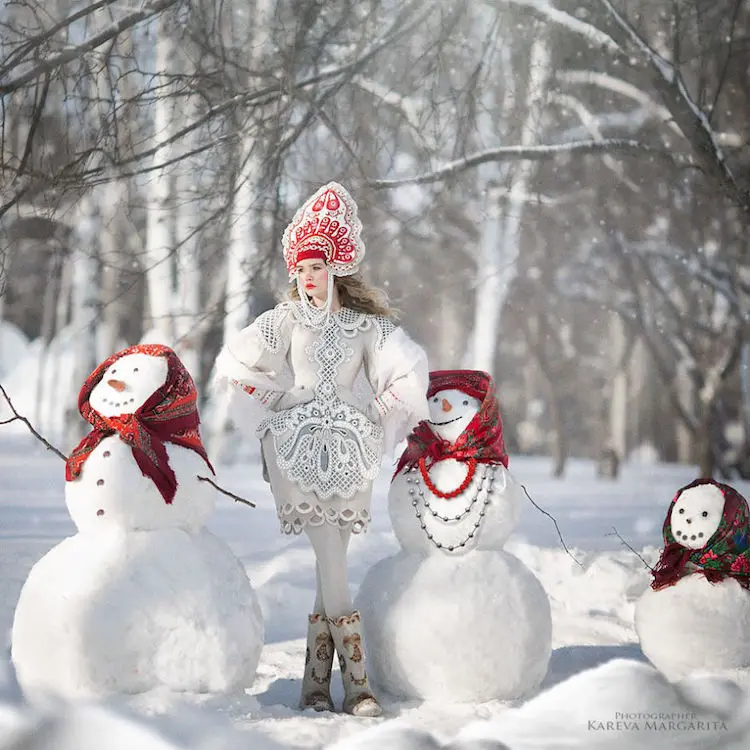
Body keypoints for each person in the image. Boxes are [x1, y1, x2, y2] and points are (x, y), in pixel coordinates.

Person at [213, 182, 429, 716]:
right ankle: (358, 686)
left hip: (354, 453)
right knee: (331, 560)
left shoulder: (368, 326)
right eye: (301, 269)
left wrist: (376, 411)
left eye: (316, 267)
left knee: (329, 564)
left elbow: (407, 369)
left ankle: (314, 684)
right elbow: (233, 364)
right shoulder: (284, 320)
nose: (307, 278)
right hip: (295, 448)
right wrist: (279, 398)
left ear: (336, 268)